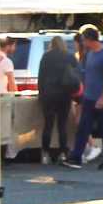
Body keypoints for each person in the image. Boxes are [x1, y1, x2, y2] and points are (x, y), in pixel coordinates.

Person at [65, 24, 103, 170]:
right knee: (83, 127)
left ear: (89, 39)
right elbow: (85, 74)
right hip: (88, 96)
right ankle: (76, 158)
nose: (82, 42)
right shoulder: (89, 54)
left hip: (102, 98)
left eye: (83, 39)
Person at [37, 34, 82, 165]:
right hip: (65, 94)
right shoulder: (69, 56)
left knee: (48, 125)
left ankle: (45, 154)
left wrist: (41, 95)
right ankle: (63, 153)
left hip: (48, 95)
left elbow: (41, 77)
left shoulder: (46, 57)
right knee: (62, 125)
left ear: (51, 44)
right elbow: (77, 75)